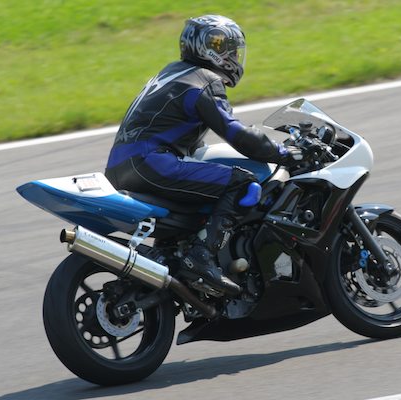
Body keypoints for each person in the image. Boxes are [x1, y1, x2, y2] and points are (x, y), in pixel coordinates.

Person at [105, 15, 302, 296]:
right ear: (213, 50)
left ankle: (177, 258)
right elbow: (236, 134)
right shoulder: (204, 80)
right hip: (152, 163)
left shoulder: (171, 73)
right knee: (244, 184)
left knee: (202, 187)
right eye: (231, 50)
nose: (235, 57)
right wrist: (282, 152)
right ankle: (202, 256)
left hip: (120, 167)